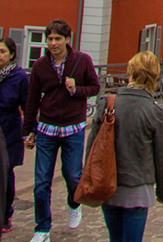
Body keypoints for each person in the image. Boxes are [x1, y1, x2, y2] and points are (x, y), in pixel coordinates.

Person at [22, 18, 100, 242]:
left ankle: (74, 204)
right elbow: (32, 100)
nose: (53, 43)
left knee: (73, 175)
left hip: (73, 128)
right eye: (50, 39)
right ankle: (42, 228)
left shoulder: (82, 61)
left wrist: (76, 89)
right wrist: (29, 130)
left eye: (58, 39)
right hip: (47, 128)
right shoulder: (40, 66)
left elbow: (94, 87)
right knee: (41, 181)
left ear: (67, 40)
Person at [87, 51, 163, 242]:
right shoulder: (155, 111)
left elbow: (92, 146)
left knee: (114, 238)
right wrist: (162, 191)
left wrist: (90, 177)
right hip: (137, 189)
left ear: (130, 72)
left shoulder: (107, 103)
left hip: (108, 184)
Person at [0, 37, 29, 233]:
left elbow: (27, 106)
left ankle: (5, 215)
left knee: (6, 173)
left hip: (9, 129)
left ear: (11, 54)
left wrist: (29, 132)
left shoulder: (19, 77)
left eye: (2, 51)